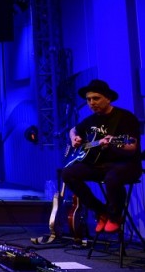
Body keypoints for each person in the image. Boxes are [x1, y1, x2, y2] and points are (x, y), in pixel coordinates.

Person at [61, 79, 142, 234]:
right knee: (68, 173)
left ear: (108, 98)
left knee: (112, 177)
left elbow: (132, 145)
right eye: (88, 99)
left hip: (125, 165)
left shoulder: (125, 117)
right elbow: (73, 130)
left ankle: (114, 216)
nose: (91, 103)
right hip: (99, 165)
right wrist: (74, 138)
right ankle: (101, 211)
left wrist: (114, 142)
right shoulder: (91, 120)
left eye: (96, 98)